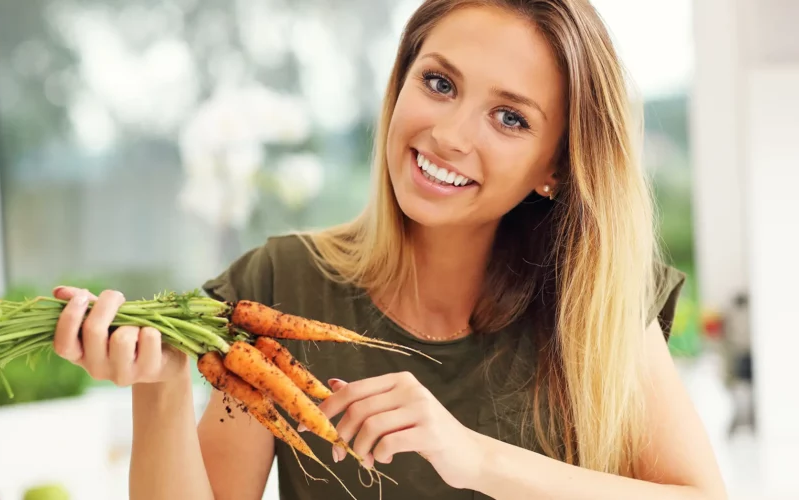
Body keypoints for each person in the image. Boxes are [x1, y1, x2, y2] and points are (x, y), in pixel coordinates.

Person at [51, 1, 727, 498]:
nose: (450, 134)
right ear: (399, 84)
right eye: (439, 83)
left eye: (509, 118)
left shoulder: (597, 296)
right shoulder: (279, 285)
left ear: (553, 167)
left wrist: (471, 458)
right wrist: (159, 389)